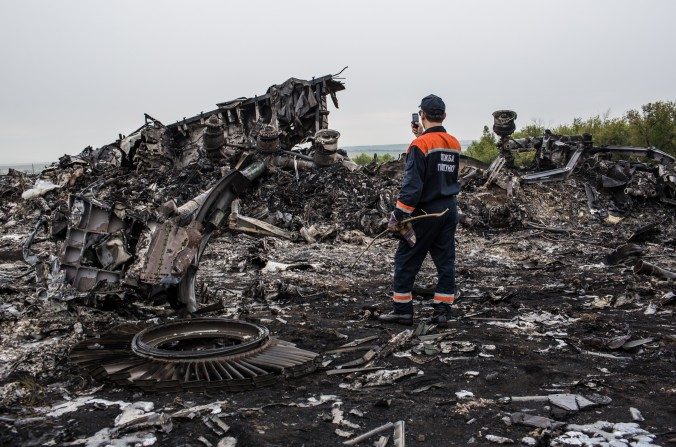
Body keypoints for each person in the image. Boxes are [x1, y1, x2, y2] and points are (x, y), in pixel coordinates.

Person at [378, 94, 461, 326]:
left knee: (406, 259)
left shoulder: (419, 145)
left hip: (426, 213)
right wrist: (420, 134)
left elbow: (413, 186)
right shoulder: (454, 142)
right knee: (445, 262)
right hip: (449, 210)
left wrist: (399, 214)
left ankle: (402, 310)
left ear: (422, 115)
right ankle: (442, 312)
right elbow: (439, 166)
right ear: (443, 115)